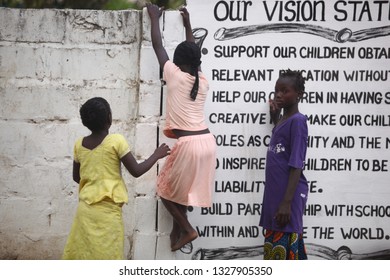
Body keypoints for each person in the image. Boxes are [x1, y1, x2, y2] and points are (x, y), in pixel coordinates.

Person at [62, 97, 170, 259]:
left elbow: (77, 177)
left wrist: (95, 182)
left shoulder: (79, 144)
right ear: (109, 119)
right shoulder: (115, 141)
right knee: (109, 255)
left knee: (83, 254)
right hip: (109, 214)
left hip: (85, 212)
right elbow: (136, 170)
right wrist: (156, 155)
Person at [146, 3, 217, 252]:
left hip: (188, 145)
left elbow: (158, 46)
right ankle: (178, 231)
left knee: (164, 192)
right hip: (207, 144)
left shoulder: (174, 76)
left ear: (178, 65)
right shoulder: (203, 80)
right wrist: (188, 25)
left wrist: (154, 18)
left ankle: (187, 229)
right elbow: (193, 55)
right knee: (183, 193)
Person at [259, 70, 309, 260]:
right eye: (276, 90)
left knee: (285, 251)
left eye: (285, 91)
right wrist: (275, 117)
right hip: (276, 197)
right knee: (277, 250)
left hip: (286, 199)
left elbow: (296, 163)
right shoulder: (283, 120)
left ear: (299, 94)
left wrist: (286, 203)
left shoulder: (298, 121)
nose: (278, 94)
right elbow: (281, 147)